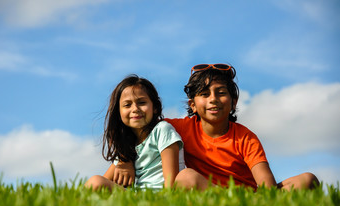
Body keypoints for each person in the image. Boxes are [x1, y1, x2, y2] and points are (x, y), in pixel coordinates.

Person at [114, 64, 319, 191]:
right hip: (206, 192)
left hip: (247, 195)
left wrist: (264, 197)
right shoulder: (176, 128)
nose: (213, 100)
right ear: (192, 104)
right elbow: (141, 131)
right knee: (185, 178)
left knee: (307, 180)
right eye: (204, 94)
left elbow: (266, 184)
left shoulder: (245, 138)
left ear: (234, 101)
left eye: (221, 93)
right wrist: (125, 160)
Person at [85, 74, 183, 191]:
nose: (135, 109)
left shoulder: (162, 130)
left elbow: (171, 181)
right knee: (95, 182)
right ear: (119, 113)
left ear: (155, 107)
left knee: (96, 181)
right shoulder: (127, 147)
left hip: (160, 197)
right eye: (127, 105)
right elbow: (104, 180)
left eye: (142, 103)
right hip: (136, 199)